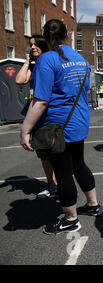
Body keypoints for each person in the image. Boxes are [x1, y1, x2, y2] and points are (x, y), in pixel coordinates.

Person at [20, 19, 103, 235]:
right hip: (78, 122)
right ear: (67, 36)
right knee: (79, 165)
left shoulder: (47, 60)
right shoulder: (81, 60)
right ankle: (93, 205)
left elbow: (41, 101)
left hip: (57, 126)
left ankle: (70, 218)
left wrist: (25, 130)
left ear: (46, 38)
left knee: (63, 172)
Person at [16, 35, 58, 199]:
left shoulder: (49, 63)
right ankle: (52, 184)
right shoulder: (33, 66)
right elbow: (19, 80)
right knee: (43, 152)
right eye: (30, 45)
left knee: (56, 150)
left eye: (36, 44)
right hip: (35, 112)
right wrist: (27, 62)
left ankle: (61, 183)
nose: (32, 47)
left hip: (49, 111)